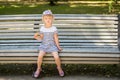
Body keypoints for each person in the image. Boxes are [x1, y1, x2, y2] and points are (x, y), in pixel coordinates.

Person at [33, 10, 64, 78]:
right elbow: (41, 38)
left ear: (52, 19)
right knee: (40, 56)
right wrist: (36, 37)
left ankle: (59, 67)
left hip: (52, 46)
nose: (48, 20)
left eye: (49, 18)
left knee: (56, 56)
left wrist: (58, 46)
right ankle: (38, 68)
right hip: (44, 45)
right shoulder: (42, 28)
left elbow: (56, 38)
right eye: (46, 18)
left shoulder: (54, 28)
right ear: (43, 19)